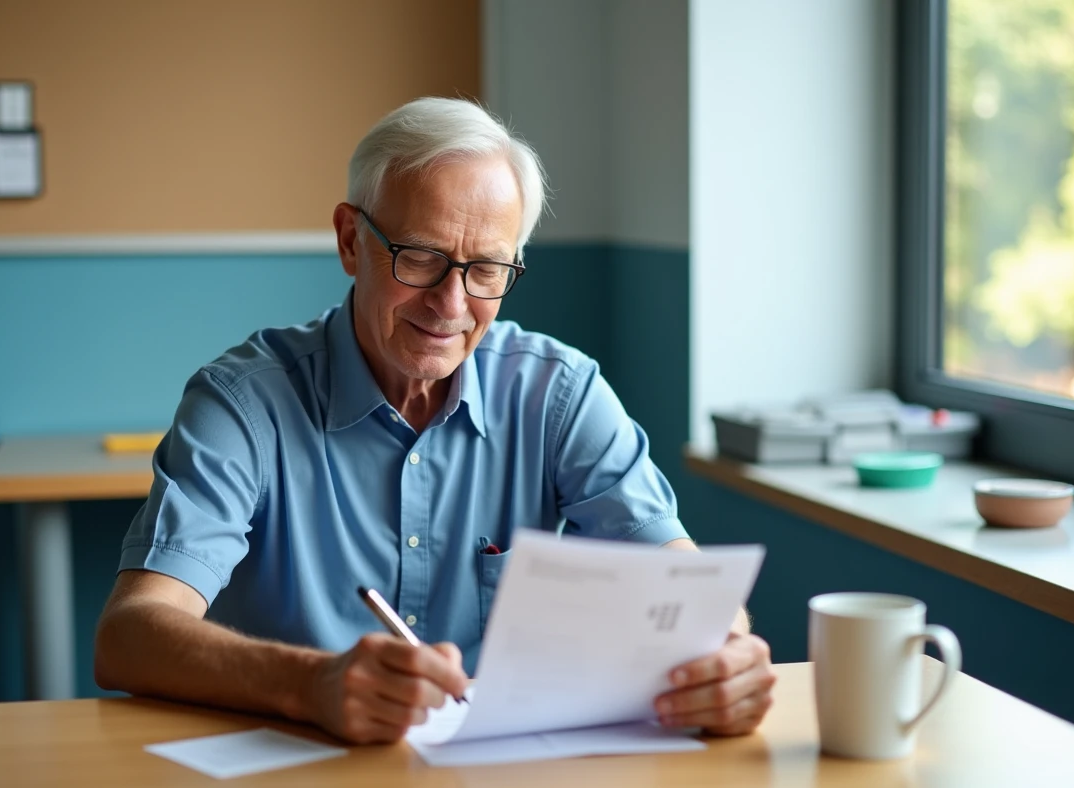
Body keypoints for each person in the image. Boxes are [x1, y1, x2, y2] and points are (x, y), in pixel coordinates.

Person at [94, 97, 775, 745]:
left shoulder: (558, 393)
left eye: (486, 269)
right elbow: (130, 635)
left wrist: (726, 662)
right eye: (419, 256)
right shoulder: (243, 403)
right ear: (350, 241)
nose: (452, 303)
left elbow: (692, 594)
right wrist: (314, 685)